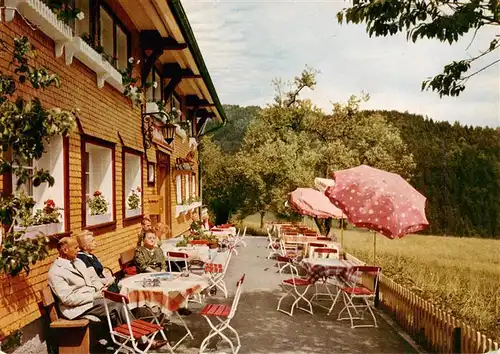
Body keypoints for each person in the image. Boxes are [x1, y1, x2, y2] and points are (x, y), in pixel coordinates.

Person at [48, 237, 167, 350]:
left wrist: (102, 287)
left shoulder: (78, 261)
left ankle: (124, 347)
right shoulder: (56, 272)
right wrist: (94, 295)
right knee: (118, 306)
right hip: (76, 307)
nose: (78, 250)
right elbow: (68, 299)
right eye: (76, 248)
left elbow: (92, 280)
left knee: (118, 307)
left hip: (92, 299)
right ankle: (143, 341)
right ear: (65, 250)